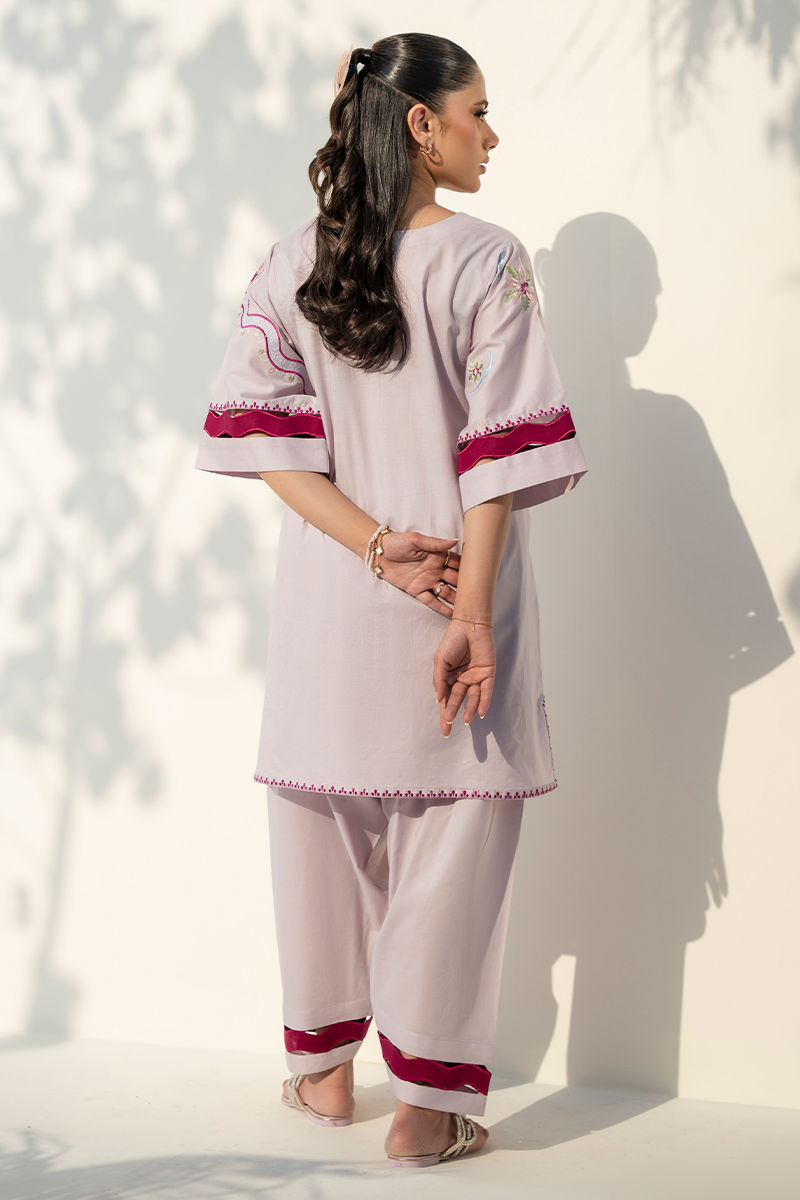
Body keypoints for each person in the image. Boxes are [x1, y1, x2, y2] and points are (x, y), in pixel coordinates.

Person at [195, 32, 588, 1168]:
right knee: (452, 844)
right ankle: (424, 1108)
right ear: (421, 123)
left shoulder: (291, 263)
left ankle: (323, 1076)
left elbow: (268, 447)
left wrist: (372, 548)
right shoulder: (486, 260)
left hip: (330, 608)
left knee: (320, 836)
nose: (490, 135)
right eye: (477, 111)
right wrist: (468, 611)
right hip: (454, 597)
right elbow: (497, 456)